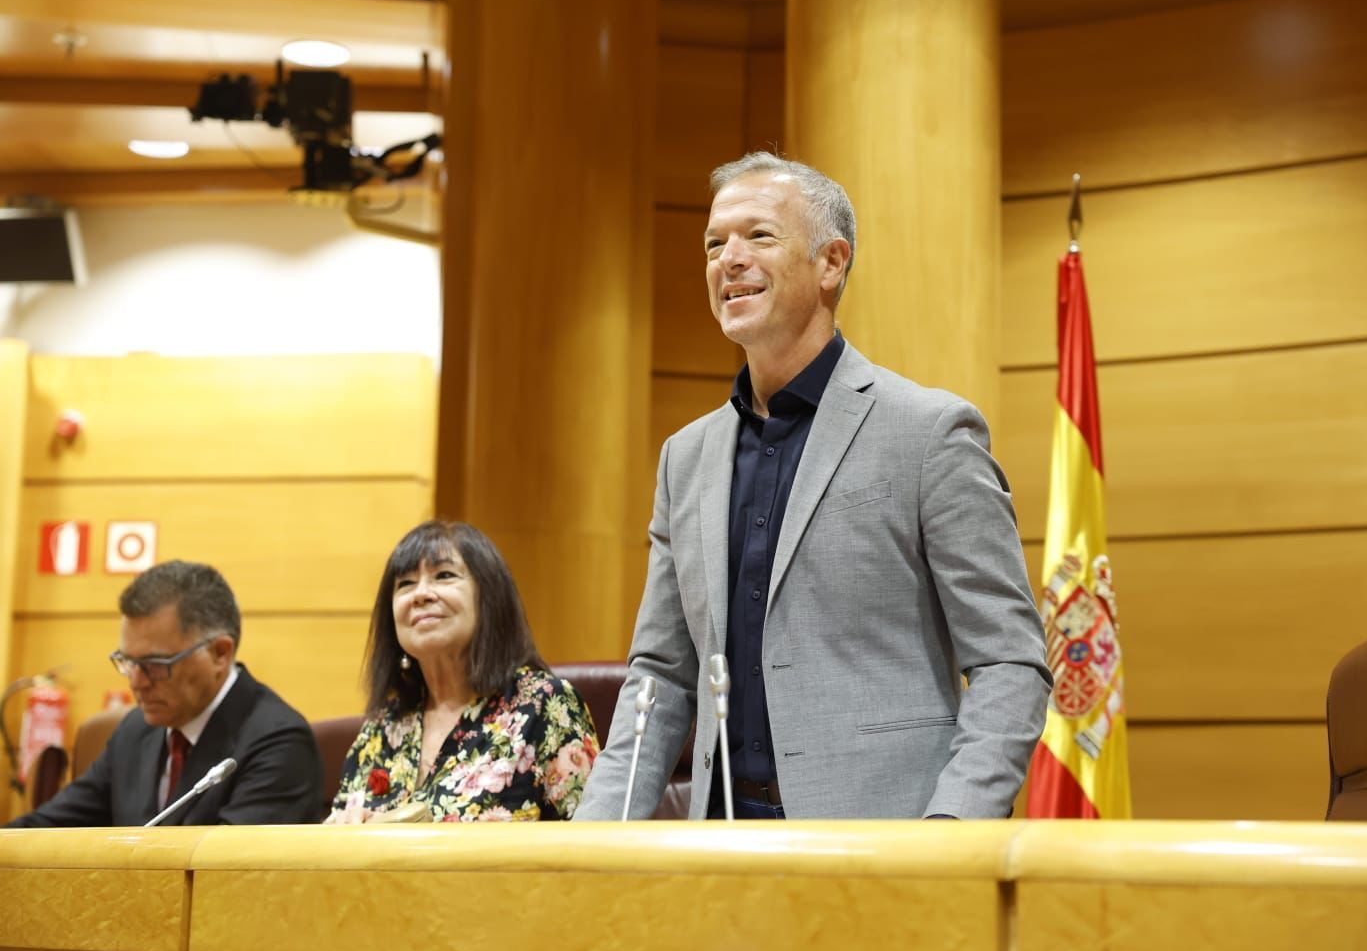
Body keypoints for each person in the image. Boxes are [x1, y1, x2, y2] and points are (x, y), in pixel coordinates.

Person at [575, 154, 1051, 821]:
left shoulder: (930, 433)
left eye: (758, 236)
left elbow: (1009, 662)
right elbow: (660, 676)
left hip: (886, 846)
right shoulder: (685, 458)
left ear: (832, 263)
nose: (728, 260)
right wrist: (592, 840)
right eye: (715, 244)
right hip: (718, 845)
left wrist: (953, 831)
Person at [7, 560, 323, 827]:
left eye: (155, 664)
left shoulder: (278, 743)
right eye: (128, 662)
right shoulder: (134, 730)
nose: (136, 682)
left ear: (219, 653)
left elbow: (227, 881)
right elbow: (47, 829)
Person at [326, 520, 598, 823]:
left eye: (444, 576)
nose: (421, 594)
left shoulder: (544, 704)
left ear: (489, 598)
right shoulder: (383, 726)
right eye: (405, 584)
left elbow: (591, 846)